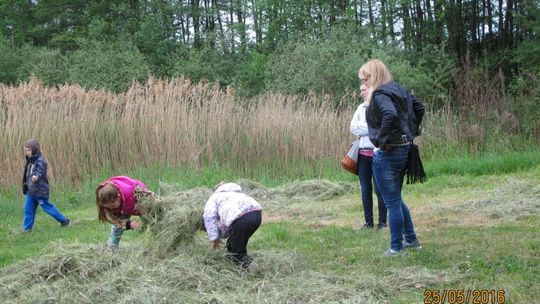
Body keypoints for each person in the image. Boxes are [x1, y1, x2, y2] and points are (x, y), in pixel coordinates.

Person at [358, 59, 425, 256]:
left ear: (373, 76)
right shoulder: (398, 89)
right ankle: (411, 239)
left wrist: (381, 138)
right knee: (396, 199)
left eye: (365, 78)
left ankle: (396, 247)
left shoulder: (380, 95)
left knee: (392, 203)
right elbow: (419, 108)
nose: (363, 83)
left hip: (389, 154)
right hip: (405, 150)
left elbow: (390, 114)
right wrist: (411, 131)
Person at [350, 83, 387, 230]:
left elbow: (380, 127)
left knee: (379, 189)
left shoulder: (379, 107)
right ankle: (369, 222)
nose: (361, 93)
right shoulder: (360, 108)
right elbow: (353, 127)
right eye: (360, 90)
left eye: (364, 90)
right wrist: (371, 128)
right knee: (365, 189)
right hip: (362, 154)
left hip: (377, 153)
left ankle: (382, 222)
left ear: (371, 90)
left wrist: (365, 128)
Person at [202, 182, 262, 268]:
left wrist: (214, 238)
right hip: (256, 215)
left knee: (237, 253)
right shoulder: (237, 194)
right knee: (233, 243)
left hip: (241, 218)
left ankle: (254, 268)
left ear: (215, 190)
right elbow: (229, 227)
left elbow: (208, 216)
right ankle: (231, 259)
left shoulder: (215, 197)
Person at [22, 138, 70, 232]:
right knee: (28, 209)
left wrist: (36, 176)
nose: (27, 152)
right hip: (31, 191)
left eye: (29, 150)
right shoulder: (29, 161)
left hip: (39, 191)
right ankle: (27, 229)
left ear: (34, 150)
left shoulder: (40, 161)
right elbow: (26, 174)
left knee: (47, 207)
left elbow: (40, 170)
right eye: (26, 150)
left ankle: (64, 220)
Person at [95, 176, 158, 248]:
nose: (111, 208)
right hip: (123, 208)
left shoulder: (136, 191)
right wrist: (128, 224)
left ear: (118, 196)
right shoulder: (108, 203)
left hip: (139, 204)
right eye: (108, 207)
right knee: (116, 228)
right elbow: (114, 220)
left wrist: (158, 205)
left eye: (113, 205)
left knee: (154, 223)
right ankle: (111, 247)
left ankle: (159, 244)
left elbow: (153, 197)